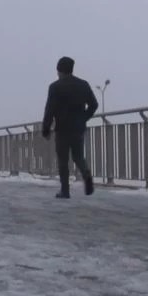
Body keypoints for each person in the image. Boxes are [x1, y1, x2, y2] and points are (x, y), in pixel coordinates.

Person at [41, 56, 98, 199]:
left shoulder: (55, 87)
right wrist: (83, 118)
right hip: (78, 128)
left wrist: (46, 129)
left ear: (60, 70)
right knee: (78, 156)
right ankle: (87, 176)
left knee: (63, 160)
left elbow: (50, 110)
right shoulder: (83, 84)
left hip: (62, 129)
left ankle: (65, 191)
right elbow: (94, 104)